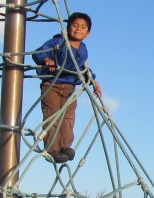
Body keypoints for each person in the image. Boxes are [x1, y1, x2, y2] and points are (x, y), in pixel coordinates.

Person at [31, 12, 103, 163]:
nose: (78, 29)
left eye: (83, 27)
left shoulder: (83, 50)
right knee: (53, 115)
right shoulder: (58, 42)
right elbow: (38, 53)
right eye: (75, 26)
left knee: (68, 117)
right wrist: (46, 60)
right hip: (52, 83)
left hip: (69, 87)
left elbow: (82, 69)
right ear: (68, 27)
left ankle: (65, 147)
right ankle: (52, 148)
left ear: (88, 33)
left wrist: (93, 81)